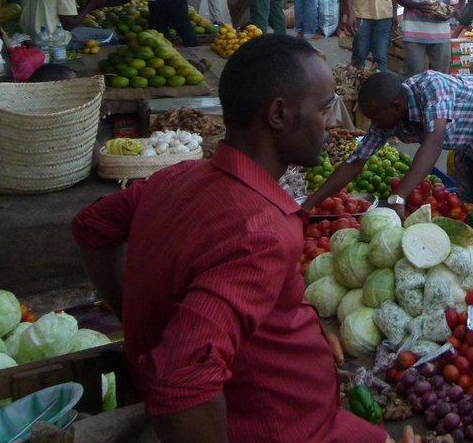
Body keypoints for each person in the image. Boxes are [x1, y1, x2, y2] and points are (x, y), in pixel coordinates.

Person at [72, 36, 394, 443]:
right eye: (325, 107)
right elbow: (181, 381)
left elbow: (92, 226)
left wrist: (137, 319)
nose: (332, 122)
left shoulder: (177, 178)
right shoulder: (259, 233)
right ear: (278, 113)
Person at [309, 70, 473, 222]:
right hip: (465, 135)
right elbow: (355, 162)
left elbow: (433, 142)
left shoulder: (431, 87)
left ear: (396, 106)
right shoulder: (386, 116)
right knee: (471, 210)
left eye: (376, 118)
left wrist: (398, 196)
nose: (374, 124)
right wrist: (309, 204)